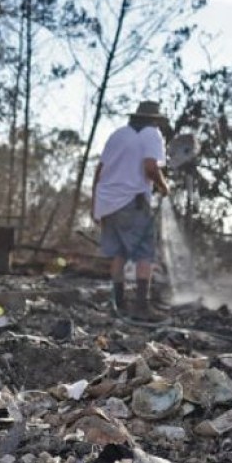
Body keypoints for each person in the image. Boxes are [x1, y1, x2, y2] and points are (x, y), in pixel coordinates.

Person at [91, 100, 172, 320]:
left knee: (119, 253)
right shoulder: (151, 134)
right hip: (131, 200)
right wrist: (164, 187)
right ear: (154, 120)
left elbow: (99, 171)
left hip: (107, 202)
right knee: (144, 252)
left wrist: (95, 206)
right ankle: (141, 307)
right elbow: (150, 166)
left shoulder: (118, 135)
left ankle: (118, 304)